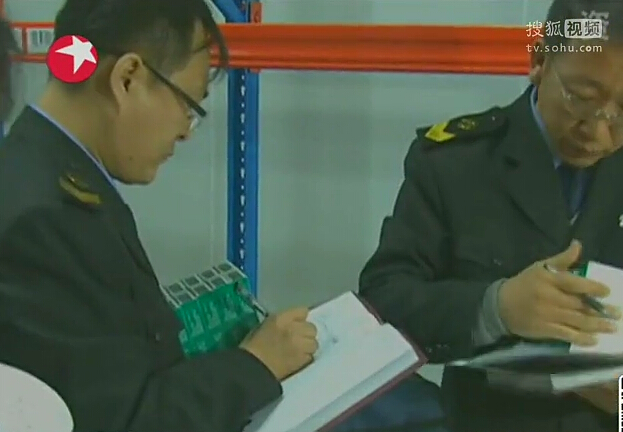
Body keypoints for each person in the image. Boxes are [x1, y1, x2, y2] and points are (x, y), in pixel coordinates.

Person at [0, 1, 318, 431]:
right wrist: (255, 365)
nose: (186, 131)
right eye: (189, 105)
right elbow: (122, 421)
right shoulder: (44, 221)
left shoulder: (50, 178)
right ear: (127, 78)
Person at [358, 1, 622, 431]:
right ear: (540, 61)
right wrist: (495, 308)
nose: (599, 132)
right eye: (581, 99)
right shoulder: (456, 164)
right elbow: (382, 300)